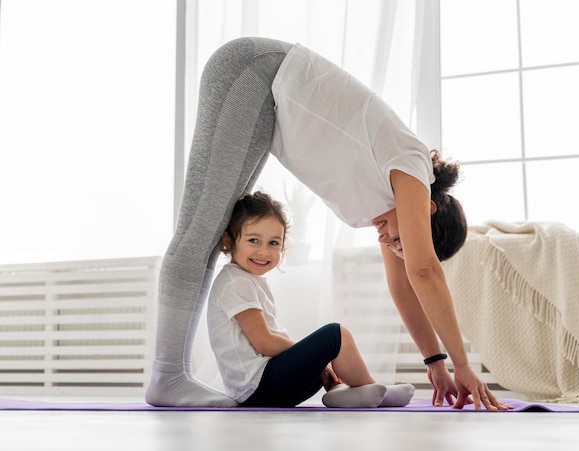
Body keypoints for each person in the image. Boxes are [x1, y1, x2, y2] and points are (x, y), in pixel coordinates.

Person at [145, 36, 512, 410]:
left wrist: (435, 364)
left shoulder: (386, 201)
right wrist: (462, 364)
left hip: (267, 98)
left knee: (208, 231)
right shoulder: (411, 166)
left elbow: (402, 286)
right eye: (399, 240)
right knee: (200, 230)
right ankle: (168, 374)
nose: (387, 241)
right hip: (256, 71)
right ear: (427, 210)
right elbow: (423, 271)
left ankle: (172, 375)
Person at [207, 191, 415, 408]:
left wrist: (314, 360)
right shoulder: (235, 282)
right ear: (229, 240)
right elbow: (264, 342)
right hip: (257, 387)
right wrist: (309, 352)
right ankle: (372, 388)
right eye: (253, 240)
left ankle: (338, 391)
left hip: (260, 388)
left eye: (273, 243)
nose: (264, 251)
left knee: (319, 361)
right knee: (335, 334)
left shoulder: (245, 280)